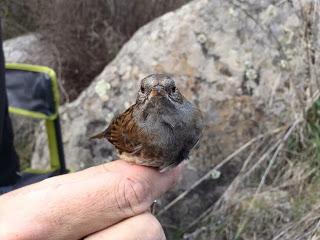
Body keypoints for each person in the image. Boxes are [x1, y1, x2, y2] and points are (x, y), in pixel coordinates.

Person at [0, 22, 182, 239]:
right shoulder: (138, 128)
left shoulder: (191, 124)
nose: (157, 94)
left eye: (169, 90)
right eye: (145, 90)